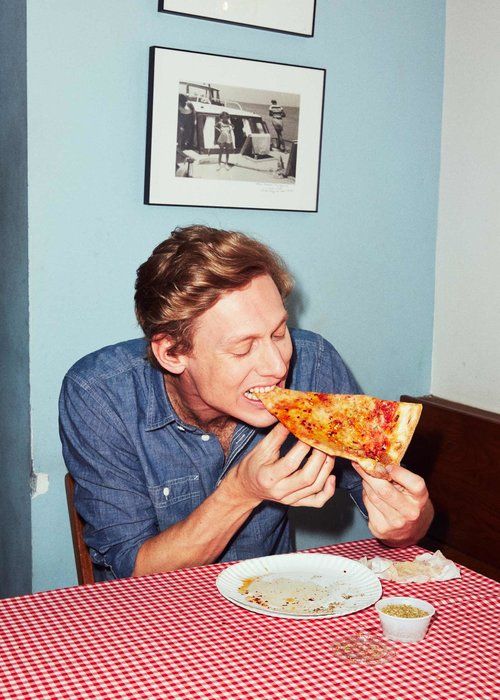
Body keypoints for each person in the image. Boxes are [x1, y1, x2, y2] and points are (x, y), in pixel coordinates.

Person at [59, 225, 433, 581]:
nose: (277, 365)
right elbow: (133, 572)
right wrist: (240, 491)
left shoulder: (314, 362)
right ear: (172, 353)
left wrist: (409, 521)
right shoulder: (99, 394)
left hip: (280, 601)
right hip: (156, 615)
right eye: (243, 347)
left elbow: (406, 522)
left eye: (279, 332)